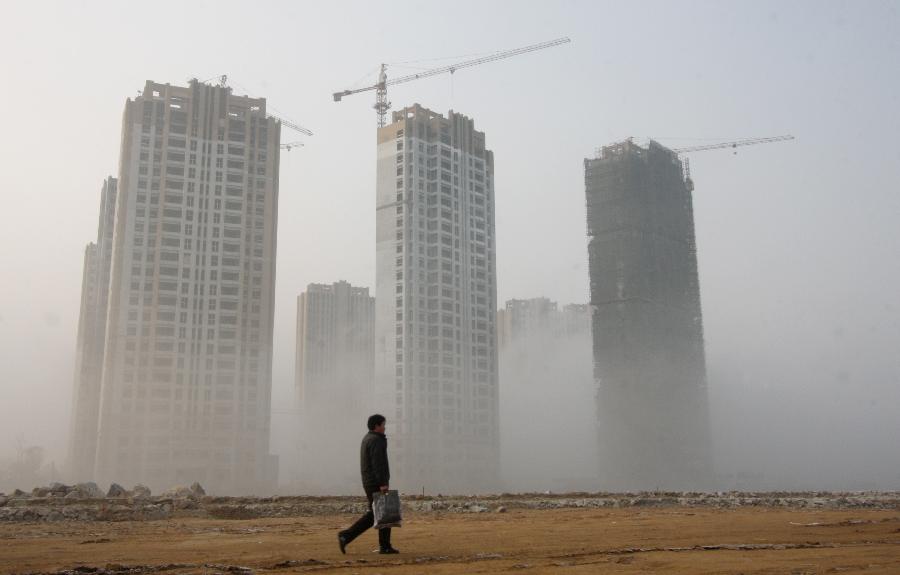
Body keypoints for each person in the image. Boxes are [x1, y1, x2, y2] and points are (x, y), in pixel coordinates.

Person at [338, 413, 399, 554]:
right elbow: (378, 464)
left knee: (381, 513)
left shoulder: (368, 438)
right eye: (383, 425)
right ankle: (346, 536)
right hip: (376, 483)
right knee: (380, 513)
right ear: (377, 426)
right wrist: (383, 483)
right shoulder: (376, 440)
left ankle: (384, 545)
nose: (385, 428)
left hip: (370, 482)